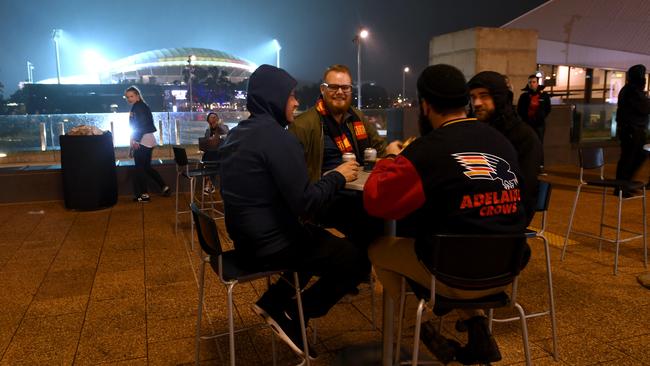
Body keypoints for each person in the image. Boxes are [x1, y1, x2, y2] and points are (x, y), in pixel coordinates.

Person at [364, 64, 528, 364]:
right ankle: (478, 328)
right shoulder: (501, 142)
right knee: (467, 238)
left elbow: (377, 201)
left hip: (453, 274)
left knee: (378, 248)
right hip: (506, 270)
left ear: (425, 105)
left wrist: (390, 157)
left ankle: (419, 328)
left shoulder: (426, 151)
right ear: (465, 101)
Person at [218, 64, 367, 358]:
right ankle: (295, 316)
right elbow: (307, 203)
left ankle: (273, 301)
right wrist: (338, 176)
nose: (297, 102)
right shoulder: (278, 138)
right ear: (274, 98)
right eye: (291, 96)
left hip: (244, 241)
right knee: (358, 262)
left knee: (313, 238)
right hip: (269, 247)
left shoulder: (238, 134)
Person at [289, 64, 392, 253]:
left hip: (359, 192)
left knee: (389, 211)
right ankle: (358, 266)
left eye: (345, 88)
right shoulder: (303, 125)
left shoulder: (357, 117)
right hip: (324, 198)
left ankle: (358, 264)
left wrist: (391, 152)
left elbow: (379, 147)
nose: (340, 92)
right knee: (372, 220)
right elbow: (295, 177)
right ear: (323, 89)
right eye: (334, 87)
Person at [468, 71, 543, 225]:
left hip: (504, 226)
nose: (476, 103)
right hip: (473, 219)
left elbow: (526, 192)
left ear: (499, 98)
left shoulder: (524, 137)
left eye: (484, 96)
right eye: (473, 97)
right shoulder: (474, 132)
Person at [126, 86, 170, 202]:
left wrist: (135, 139)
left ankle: (144, 195)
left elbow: (141, 124)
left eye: (131, 96)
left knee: (140, 169)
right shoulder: (142, 106)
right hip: (149, 139)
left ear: (137, 95)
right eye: (127, 97)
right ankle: (164, 187)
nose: (129, 99)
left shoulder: (138, 107)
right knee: (146, 167)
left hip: (142, 140)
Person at [615, 64, 650, 196]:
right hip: (631, 130)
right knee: (628, 159)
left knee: (637, 156)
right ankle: (621, 187)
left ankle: (625, 185)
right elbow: (645, 107)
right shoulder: (632, 91)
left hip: (635, 129)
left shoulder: (632, 90)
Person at [201, 112, 229, 194]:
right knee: (208, 155)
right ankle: (209, 183)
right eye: (211, 117)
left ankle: (209, 184)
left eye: (215, 117)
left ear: (217, 119)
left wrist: (219, 125)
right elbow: (206, 143)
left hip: (222, 153)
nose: (213, 118)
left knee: (209, 158)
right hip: (211, 154)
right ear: (208, 120)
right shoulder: (207, 131)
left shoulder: (224, 127)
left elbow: (227, 134)